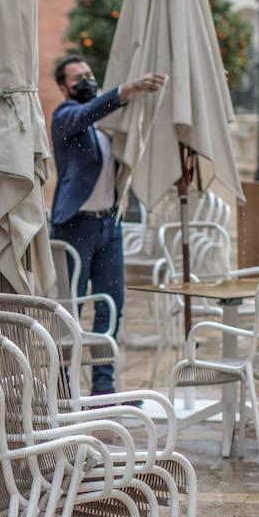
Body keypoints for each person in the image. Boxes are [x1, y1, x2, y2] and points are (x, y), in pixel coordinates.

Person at [50, 54, 166, 395]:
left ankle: (104, 388)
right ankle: (64, 387)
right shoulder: (65, 116)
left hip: (108, 226)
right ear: (63, 87)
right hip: (74, 227)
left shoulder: (111, 124)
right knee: (71, 309)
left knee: (111, 305)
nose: (86, 79)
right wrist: (125, 89)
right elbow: (85, 113)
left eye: (89, 73)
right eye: (77, 77)